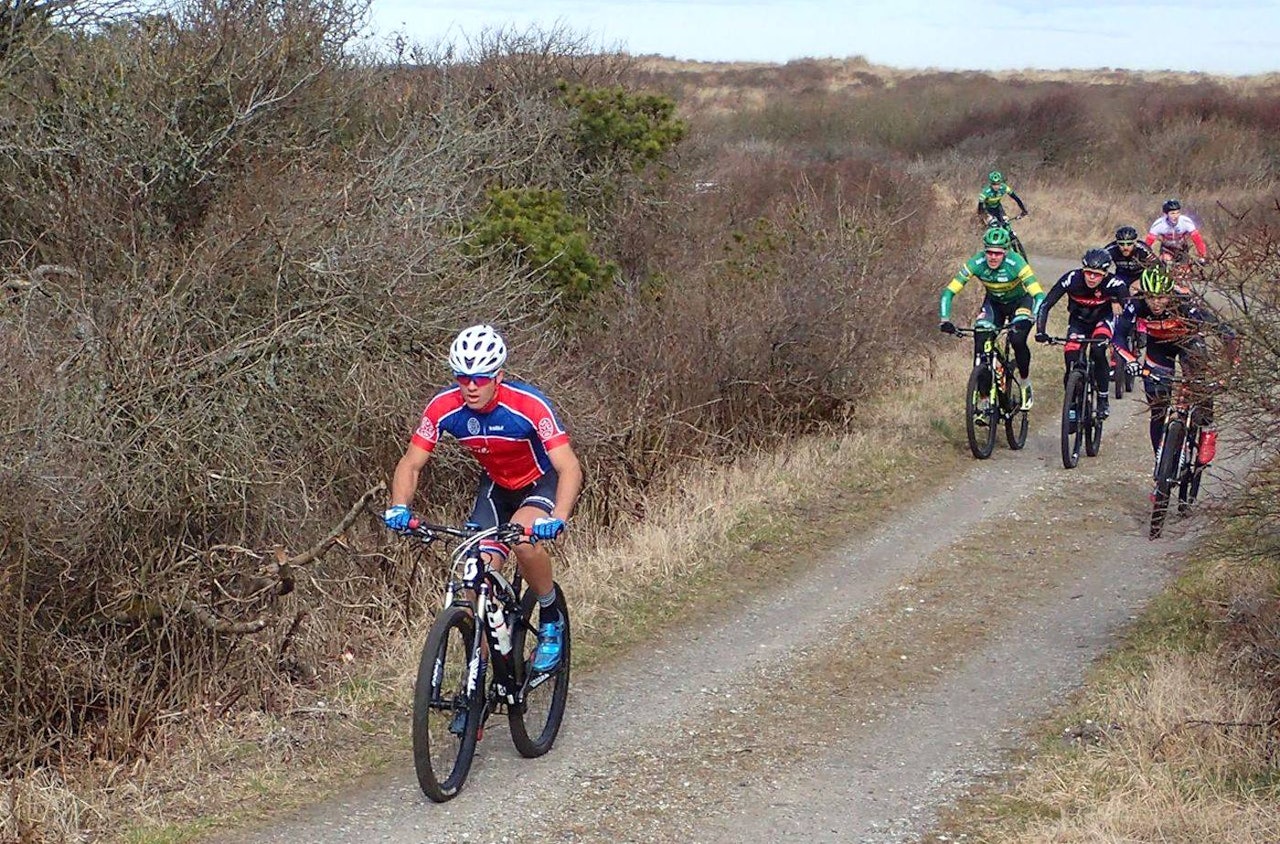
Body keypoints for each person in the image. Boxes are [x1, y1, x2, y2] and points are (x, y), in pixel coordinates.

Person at [383, 324, 583, 673]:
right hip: (495, 489)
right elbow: (411, 463)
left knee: (523, 542)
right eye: (463, 378)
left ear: (498, 376)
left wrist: (560, 517)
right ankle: (479, 679)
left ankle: (551, 617)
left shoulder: (529, 405)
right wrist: (400, 505)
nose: (471, 387)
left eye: (480, 378)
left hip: (539, 484)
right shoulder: (443, 407)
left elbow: (568, 467)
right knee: (475, 572)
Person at [1113, 267, 1236, 460]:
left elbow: (1224, 331)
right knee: (1158, 409)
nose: (1155, 303)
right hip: (1159, 349)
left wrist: (1232, 365)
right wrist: (1131, 360)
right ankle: (1160, 464)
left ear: (1170, 293)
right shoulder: (1136, 305)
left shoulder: (1184, 304)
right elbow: (1118, 336)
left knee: (1198, 384)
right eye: (1151, 297)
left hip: (1188, 344)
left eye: (1162, 297)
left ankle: (1206, 431)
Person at [939, 226, 1045, 409]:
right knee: (981, 340)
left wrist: (1033, 316)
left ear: (1005, 252)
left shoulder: (1017, 263)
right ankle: (983, 397)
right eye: (989, 252)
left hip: (1020, 302)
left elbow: (1039, 295)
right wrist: (945, 319)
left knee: (1017, 339)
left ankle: (1025, 382)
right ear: (984, 251)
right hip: (993, 304)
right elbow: (948, 292)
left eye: (998, 253)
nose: (993, 257)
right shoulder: (976, 262)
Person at [1034, 249, 1129, 419]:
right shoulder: (1072, 279)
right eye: (1088, 273)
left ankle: (1102, 398)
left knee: (1098, 351)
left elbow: (1128, 312)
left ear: (1105, 274)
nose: (1092, 278)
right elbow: (1046, 304)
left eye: (1097, 275)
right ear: (1083, 270)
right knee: (1071, 359)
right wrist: (1041, 331)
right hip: (1078, 322)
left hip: (1103, 321)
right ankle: (1072, 403)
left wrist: (1117, 303)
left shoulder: (1115, 284)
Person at [1144, 198, 1208, 269]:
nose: (1176, 216)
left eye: (1178, 213)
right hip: (1167, 249)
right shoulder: (1158, 224)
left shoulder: (1186, 222)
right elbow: (1147, 244)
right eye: (1172, 213)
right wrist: (1145, 258)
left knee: (1184, 272)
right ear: (1166, 214)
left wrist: (1202, 256)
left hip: (1182, 249)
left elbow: (1198, 241)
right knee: (1167, 266)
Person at [1104, 225, 1160, 297]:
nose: (1125, 247)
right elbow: (1098, 264)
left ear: (1135, 243)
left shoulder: (1143, 249)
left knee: (1136, 292)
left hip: (1140, 276)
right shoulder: (1111, 249)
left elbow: (1158, 267)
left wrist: (1142, 281)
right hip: (1121, 275)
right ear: (1117, 243)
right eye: (1121, 244)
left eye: (1129, 244)